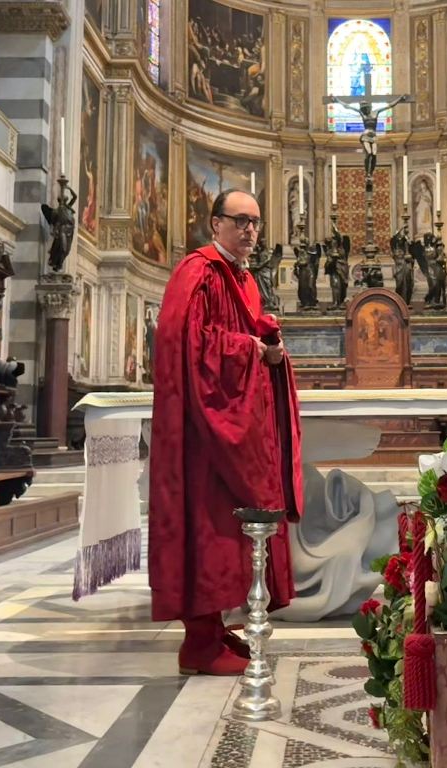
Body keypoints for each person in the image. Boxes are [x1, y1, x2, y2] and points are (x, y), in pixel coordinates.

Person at [149, 190, 304, 676]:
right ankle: (197, 643)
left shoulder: (242, 278)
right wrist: (250, 348)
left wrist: (268, 348)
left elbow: (238, 336)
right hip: (203, 431)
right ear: (215, 224)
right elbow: (188, 343)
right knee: (206, 525)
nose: (250, 230)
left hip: (232, 424)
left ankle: (214, 630)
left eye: (255, 222)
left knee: (229, 529)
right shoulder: (197, 272)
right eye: (240, 220)